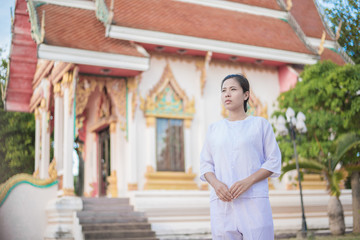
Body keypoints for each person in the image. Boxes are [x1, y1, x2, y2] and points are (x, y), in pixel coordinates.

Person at [200, 74, 281, 240]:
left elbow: (273, 160)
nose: (227, 94)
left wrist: (247, 182)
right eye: (223, 90)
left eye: (233, 89)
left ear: (246, 95)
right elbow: (205, 164)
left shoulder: (260, 125)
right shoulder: (214, 129)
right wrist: (216, 185)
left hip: (254, 200)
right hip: (223, 204)